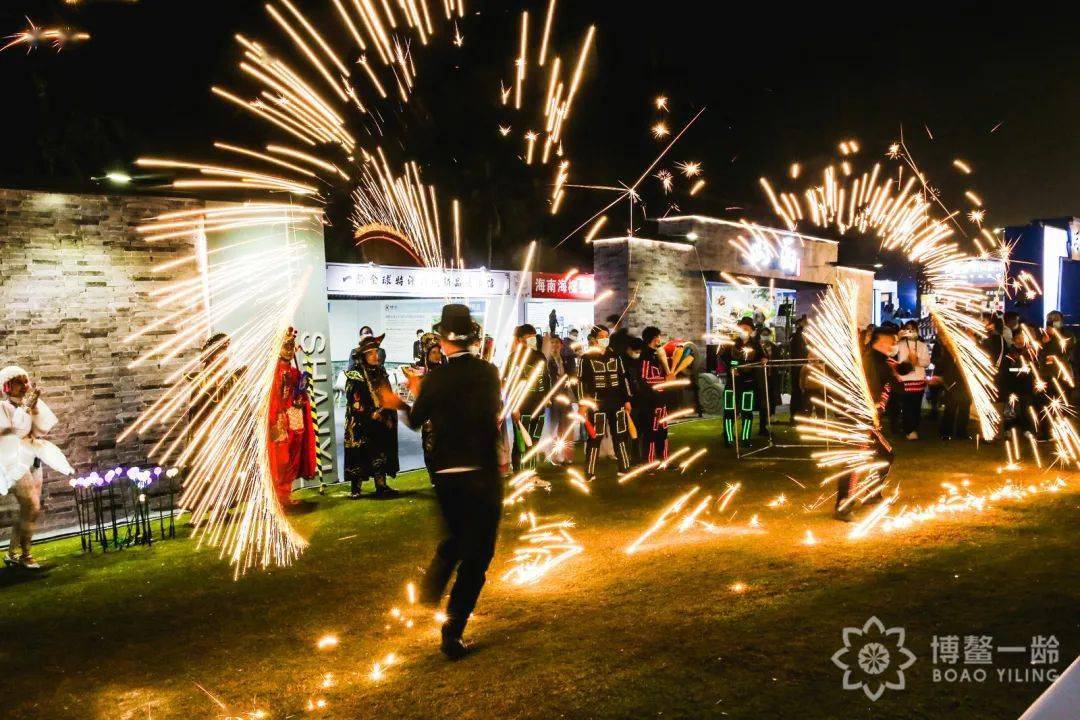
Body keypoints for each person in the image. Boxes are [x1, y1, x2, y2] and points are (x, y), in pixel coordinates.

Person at [381, 304, 503, 660]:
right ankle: (452, 632)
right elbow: (490, 413)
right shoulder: (488, 372)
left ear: (444, 342)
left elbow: (415, 420)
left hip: (446, 473)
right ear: (472, 338)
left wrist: (406, 397)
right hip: (481, 471)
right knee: (478, 556)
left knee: (457, 537)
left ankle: (432, 586)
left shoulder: (435, 379)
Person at [0, 366, 73, 570]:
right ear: (7, 386)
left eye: (26, 381)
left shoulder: (29, 403)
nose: (25, 385)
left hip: (33, 457)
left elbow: (41, 429)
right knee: (32, 506)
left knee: (28, 509)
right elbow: (12, 433)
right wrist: (25, 408)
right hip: (14, 460)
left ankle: (12, 553)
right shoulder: (3, 407)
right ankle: (26, 554)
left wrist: (34, 407)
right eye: (19, 382)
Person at [835, 327, 897, 520]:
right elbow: (869, 387)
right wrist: (873, 409)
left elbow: (890, 381)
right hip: (861, 419)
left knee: (885, 454)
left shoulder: (881, 360)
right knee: (855, 460)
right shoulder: (870, 360)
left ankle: (872, 493)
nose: (894, 345)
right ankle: (843, 506)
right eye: (891, 341)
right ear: (881, 341)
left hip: (870, 419)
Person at [344, 334, 400, 498]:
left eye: (376, 352)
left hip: (380, 418)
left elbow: (387, 393)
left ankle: (381, 485)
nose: (375, 356)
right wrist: (369, 414)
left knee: (380, 451)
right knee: (359, 452)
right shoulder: (355, 375)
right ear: (363, 356)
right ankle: (356, 488)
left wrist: (387, 412)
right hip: (361, 421)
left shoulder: (380, 371)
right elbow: (353, 400)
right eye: (370, 353)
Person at [267, 328, 318, 509]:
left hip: (294, 417)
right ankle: (278, 497)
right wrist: (276, 418)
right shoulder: (272, 373)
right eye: (285, 345)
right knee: (280, 458)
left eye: (291, 346)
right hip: (279, 419)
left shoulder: (295, 372)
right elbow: (271, 399)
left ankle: (285, 495)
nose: (289, 350)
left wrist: (300, 399)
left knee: (293, 457)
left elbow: (299, 396)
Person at [580, 325, 634, 479]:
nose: (604, 339)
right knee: (595, 438)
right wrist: (583, 404)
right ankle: (589, 472)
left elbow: (623, 379)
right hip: (597, 404)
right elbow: (581, 382)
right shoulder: (586, 358)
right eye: (601, 337)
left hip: (617, 402)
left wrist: (627, 400)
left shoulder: (616, 356)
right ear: (594, 339)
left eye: (606, 336)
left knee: (620, 435)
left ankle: (624, 468)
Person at [510, 324, 551, 472]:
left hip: (539, 406)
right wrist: (514, 408)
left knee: (534, 441)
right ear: (520, 339)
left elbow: (546, 379)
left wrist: (547, 397)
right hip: (522, 407)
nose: (532, 340)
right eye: (529, 337)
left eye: (534, 336)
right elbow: (510, 385)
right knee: (521, 443)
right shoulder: (514, 358)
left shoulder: (540, 356)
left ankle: (531, 472)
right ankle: (519, 474)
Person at [719, 318, 762, 448]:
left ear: (752, 330)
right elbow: (724, 358)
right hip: (731, 384)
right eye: (741, 328)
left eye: (746, 328)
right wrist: (732, 368)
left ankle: (745, 438)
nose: (743, 330)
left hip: (748, 384)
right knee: (729, 412)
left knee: (747, 413)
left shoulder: (756, 345)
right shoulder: (731, 344)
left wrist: (764, 359)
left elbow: (762, 357)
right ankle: (728, 438)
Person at [637, 327, 671, 463]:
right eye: (658, 336)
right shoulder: (645, 355)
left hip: (660, 399)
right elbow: (644, 379)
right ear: (654, 338)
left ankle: (664, 459)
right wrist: (662, 380)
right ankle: (650, 461)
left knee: (663, 430)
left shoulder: (655, 354)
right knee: (651, 431)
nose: (659, 339)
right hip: (651, 401)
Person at [932, 325, 972, 441]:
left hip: (963, 381)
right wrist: (941, 378)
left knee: (964, 406)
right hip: (952, 381)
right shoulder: (950, 350)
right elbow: (944, 364)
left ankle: (960, 432)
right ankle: (947, 432)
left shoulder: (965, 348)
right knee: (951, 407)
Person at [894, 320, 931, 440]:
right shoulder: (900, 344)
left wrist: (917, 361)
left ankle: (913, 429)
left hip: (918, 379)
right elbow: (891, 353)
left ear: (917, 330)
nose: (910, 331)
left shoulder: (922, 345)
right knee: (906, 406)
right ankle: (908, 429)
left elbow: (927, 362)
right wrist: (897, 338)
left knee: (916, 406)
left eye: (912, 329)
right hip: (905, 379)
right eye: (907, 329)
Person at [546, 335, 575, 465]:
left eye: (557, 342)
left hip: (565, 396)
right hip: (553, 398)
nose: (555, 345)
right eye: (552, 342)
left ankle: (566, 455)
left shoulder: (565, 359)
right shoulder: (547, 360)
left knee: (567, 426)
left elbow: (571, 375)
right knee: (554, 427)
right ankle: (554, 456)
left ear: (561, 345)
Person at [788, 315, 810, 420]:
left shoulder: (799, 336)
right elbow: (800, 353)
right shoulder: (797, 337)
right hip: (798, 368)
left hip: (799, 367)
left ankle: (798, 413)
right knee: (797, 391)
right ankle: (796, 414)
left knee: (799, 391)